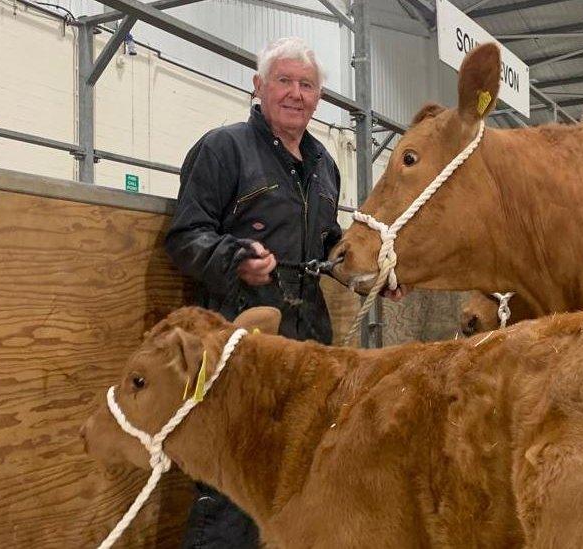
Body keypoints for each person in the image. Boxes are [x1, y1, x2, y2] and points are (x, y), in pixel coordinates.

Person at [165, 36, 342, 548]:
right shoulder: (224, 149)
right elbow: (185, 236)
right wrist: (235, 258)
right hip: (240, 350)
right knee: (232, 485)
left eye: (306, 85)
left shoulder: (323, 165)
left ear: (318, 98)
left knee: (298, 477)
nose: (295, 93)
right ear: (259, 86)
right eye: (283, 80)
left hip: (308, 348)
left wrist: (362, 269)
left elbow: (328, 241)